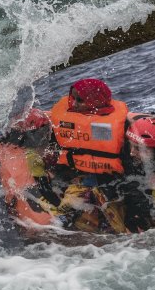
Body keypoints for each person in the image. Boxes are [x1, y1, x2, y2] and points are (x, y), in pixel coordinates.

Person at [46, 78, 131, 233]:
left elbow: (128, 162)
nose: (75, 104)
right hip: (80, 180)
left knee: (117, 226)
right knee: (61, 220)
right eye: (73, 99)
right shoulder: (65, 122)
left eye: (80, 100)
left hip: (111, 183)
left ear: (95, 100)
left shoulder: (119, 126)